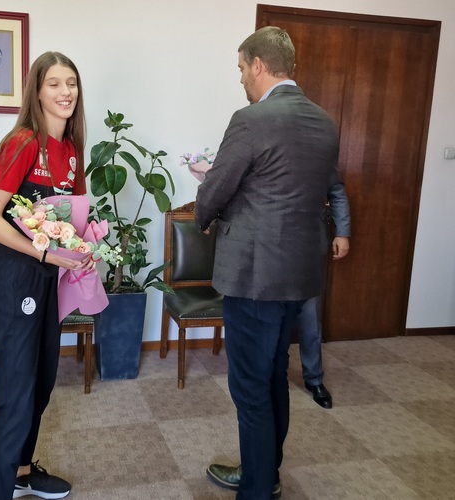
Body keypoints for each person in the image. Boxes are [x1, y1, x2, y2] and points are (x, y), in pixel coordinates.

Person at [195, 27, 343, 499]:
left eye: (242, 68)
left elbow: (217, 189)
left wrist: (204, 208)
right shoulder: (324, 122)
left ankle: (257, 488)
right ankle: (267, 472)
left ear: (258, 65)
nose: (241, 77)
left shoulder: (250, 119)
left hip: (254, 275)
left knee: (249, 386)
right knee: (275, 373)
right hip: (299, 274)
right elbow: (287, 188)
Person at [0, 51, 93, 500]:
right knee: (17, 391)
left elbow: (72, 221)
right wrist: (43, 253)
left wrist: (84, 250)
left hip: (48, 277)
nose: (66, 92)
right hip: (16, 275)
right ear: (37, 93)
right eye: (54, 84)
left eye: (71, 83)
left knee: (42, 382)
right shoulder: (23, 142)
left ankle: (22, 472)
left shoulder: (72, 151)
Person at [298, 183, 350, 409]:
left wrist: (342, 233)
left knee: (310, 318)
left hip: (309, 245)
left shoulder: (323, 158)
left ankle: (314, 379)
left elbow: (337, 194)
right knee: (271, 318)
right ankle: (271, 374)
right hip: (268, 247)